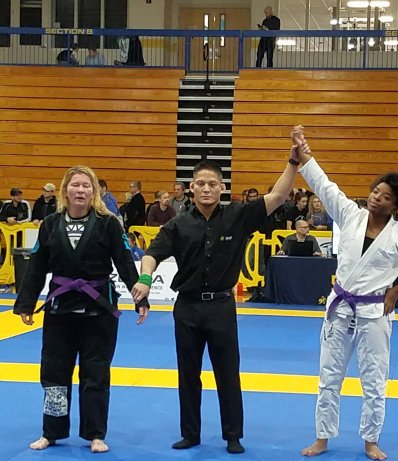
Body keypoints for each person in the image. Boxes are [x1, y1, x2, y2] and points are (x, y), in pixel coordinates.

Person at [289, 126, 398, 460]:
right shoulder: (350, 216)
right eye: (375, 191)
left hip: (375, 314)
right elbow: (325, 186)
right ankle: (322, 437)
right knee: (329, 377)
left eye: (385, 196)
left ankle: (371, 440)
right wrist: (303, 152)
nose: (376, 197)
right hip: (340, 308)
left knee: (374, 380)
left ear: (396, 205)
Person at [131, 158, 299, 454]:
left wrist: (293, 162)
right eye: (200, 184)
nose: (206, 189)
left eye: (212, 184)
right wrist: (145, 279)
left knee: (227, 373)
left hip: (221, 306)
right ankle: (190, 434)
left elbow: (277, 197)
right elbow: (151, 254)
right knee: (188, 374)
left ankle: (233, 435)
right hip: (187, 307)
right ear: (191, 188)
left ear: (222, 188)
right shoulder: (178, 224)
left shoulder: (238, 215)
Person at [13, 165, 149, 453]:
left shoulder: (108, 224)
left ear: (94, 191)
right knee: (54, 373)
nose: (80, 190)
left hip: (98, 309)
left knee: (95, 373)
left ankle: (95, 434)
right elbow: (37, 266)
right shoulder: (51, 223)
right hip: (59, 309)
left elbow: (125, 262)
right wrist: (26, 303)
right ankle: (51, 431)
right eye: (75, 185)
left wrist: (140, 298)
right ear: (65, 190)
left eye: (86, 185)